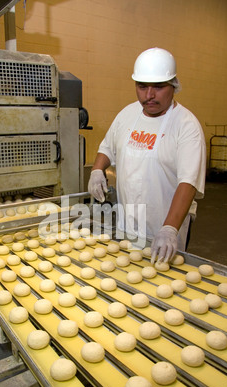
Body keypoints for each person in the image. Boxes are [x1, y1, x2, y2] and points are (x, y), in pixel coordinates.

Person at [88, 47, 206, 264]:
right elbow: (107, 147)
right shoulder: (127, 115)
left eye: (158, 87)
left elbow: (188, 182)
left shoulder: (186, 126)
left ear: (174, 85)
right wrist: (97, 169)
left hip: (165, 227)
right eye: (142, 87)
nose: (149, 95)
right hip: (129, 223)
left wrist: (169, 228)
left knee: (163, 283)